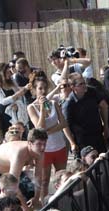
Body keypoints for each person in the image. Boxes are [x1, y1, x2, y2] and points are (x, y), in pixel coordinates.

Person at [27, 71, 76, 199]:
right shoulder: (31, 107)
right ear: (34, 90)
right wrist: (42, 109)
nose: (43, 91)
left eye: (44, 88)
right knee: (44, 181)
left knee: (62, 178)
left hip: (59, 146)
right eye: (40, 88)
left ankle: (64, 201)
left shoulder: (54, 103)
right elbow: (39, 127)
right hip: (45, 150)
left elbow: (63, 123)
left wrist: (47, 133)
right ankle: (44, 206)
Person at [0, 128, 48, 206]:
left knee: (30, 192)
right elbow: (12, 184)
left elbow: (38, 176)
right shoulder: (20, 153)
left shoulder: (40, 151)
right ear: (30, 143)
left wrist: (36, 198)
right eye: (39, 144)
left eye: (44, 144)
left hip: (7, 170)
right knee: (9, 199)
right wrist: (25, 207)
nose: (43, 147)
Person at [62, 72, 108, 153]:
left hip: (97, 134)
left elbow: (104, 106)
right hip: (82, 139)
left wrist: (106, 126)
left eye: (84, 82)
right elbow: (65, 125)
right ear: (73, 87)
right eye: (81, 84)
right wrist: (72, 143)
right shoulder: (68, 104)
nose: (84, 85)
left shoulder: (92, 92)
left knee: (103, 160)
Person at [0, 62, 31, 133]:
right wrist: (15, 96)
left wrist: (25, 88)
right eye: (7, 72)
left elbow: (18, 90)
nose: (9, 74)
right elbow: (2, 101)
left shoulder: (11, 81)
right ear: (1, 73)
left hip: (16, 109)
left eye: (9, 72)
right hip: (5, 113)